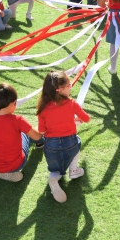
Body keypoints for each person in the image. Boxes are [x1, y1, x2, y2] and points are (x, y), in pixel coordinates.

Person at [37, 70, 91, 203]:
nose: (71, 88)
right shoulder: (71, 103)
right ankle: (73, 169)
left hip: (50, 147)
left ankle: (54, 178)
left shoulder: (42, 108)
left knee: (56, 170)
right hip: (70, 143)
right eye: (70, 85)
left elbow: (41, 131)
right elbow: (87, 118)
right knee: (77, 141)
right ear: (60, 89)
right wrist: (76, 120)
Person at [0, 83, 43, 182]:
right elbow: (36, 136)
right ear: (13, 103)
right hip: (16, 164)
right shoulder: (18, 120)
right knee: (26, 134)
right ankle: (41, 143)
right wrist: (41, 130)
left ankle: (2, 172)